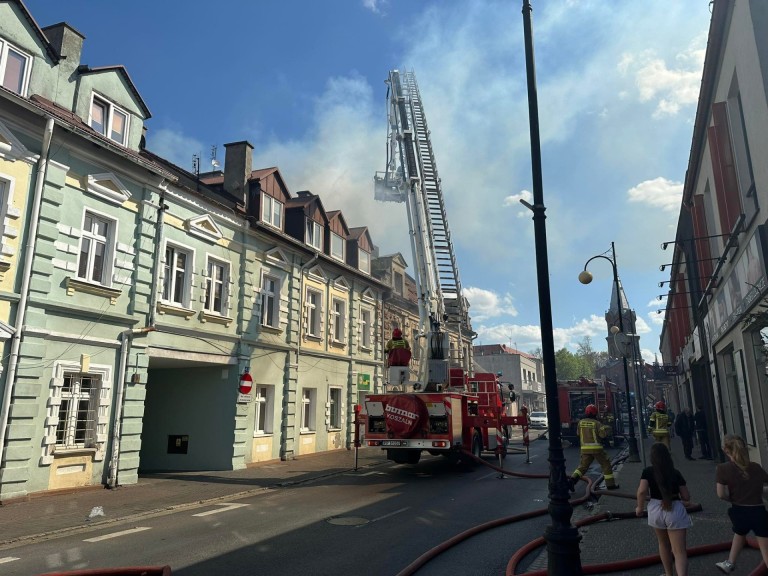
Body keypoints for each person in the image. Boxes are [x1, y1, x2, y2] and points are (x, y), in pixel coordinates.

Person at [635, 442, 692, 576]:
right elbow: (686, 496)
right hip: (674, 509)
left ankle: (668, 573)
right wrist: (685, 501)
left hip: (655, 510)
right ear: (668, 456)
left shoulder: (647, 472)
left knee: (663, 544)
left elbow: (642, 491)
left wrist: (639, 507)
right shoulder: (675, 473)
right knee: (679, 551)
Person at [714, 434, 768, 573]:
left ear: (726, 450)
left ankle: (730, 563)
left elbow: (721, 494)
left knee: (739, 532)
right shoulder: (755, 467)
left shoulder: (722, 468)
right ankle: (730, 562)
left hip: (739, 510)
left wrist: (732, 499)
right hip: (758, 511)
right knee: (764, 545)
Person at [568, 404, 619, 491]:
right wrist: (607, 430)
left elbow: (578, 434)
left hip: (585, 449)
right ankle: (610, 485)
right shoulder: (597, 423)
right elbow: (602, 435)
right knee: (606, 465)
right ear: (595, 413)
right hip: (597, 449)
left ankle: (572, 481)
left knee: (582, 467)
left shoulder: (580, 422)